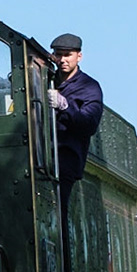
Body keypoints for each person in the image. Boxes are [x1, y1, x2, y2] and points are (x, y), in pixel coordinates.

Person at [47, 33, 104, 191]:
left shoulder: (89, 88)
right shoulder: (46, 78)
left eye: (68, 55)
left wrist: (65, 106)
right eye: (59, 55)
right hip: (41, 154)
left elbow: (89, 124)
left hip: (67, 157)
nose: (63, 59)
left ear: (79, 56)